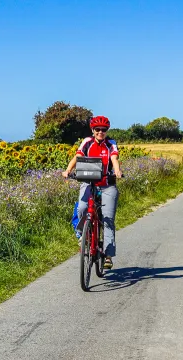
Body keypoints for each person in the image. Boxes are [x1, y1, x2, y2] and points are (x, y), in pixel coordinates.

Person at [63, 115, 122, 269]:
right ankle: (83, 236)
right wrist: (68, 170)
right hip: (88, 182)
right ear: (92, 130)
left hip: (107, 184)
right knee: (82, 208)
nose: (100, 132)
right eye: (97, 129)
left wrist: (117, 171)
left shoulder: (111, 144)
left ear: (107, 131)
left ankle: (108, 255)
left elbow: (114, 159)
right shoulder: (87, 142)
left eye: (103, 130)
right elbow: (77, 157)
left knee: (108, 219)